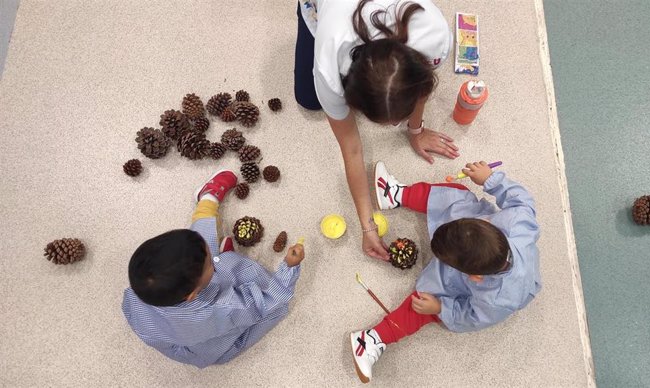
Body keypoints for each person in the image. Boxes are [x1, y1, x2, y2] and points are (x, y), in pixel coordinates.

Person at [295, 0, 460, 260]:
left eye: (399, 119)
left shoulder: (434, 36)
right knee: (308, 99)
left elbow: (422, 87)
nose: (395, 125)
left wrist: (416, 130)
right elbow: (351, 148)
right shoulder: (330, 66)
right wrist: (367, 224)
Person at [349, 161, 541, 383]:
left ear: (473, 277)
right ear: (487, 224)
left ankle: (372, 339)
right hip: (475, 238)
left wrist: (441, 307)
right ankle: (395, 194)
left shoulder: (496, 300)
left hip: (475, 285)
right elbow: (521, 198)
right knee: (457, 195)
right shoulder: (518, 221)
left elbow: (471, 317)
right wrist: (490, 179)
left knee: (424, 304)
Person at [122, 170, 305, 368]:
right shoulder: (221, 310)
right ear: (192, 294)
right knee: (276, 309)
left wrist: (208, 259)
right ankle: (221, 252)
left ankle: (207, 199)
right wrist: (289, 267)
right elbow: (267, 302)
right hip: (208, 347)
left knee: (195, 252)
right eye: (210, 262)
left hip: (172, 334)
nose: (210, 254)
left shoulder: (139, 291)